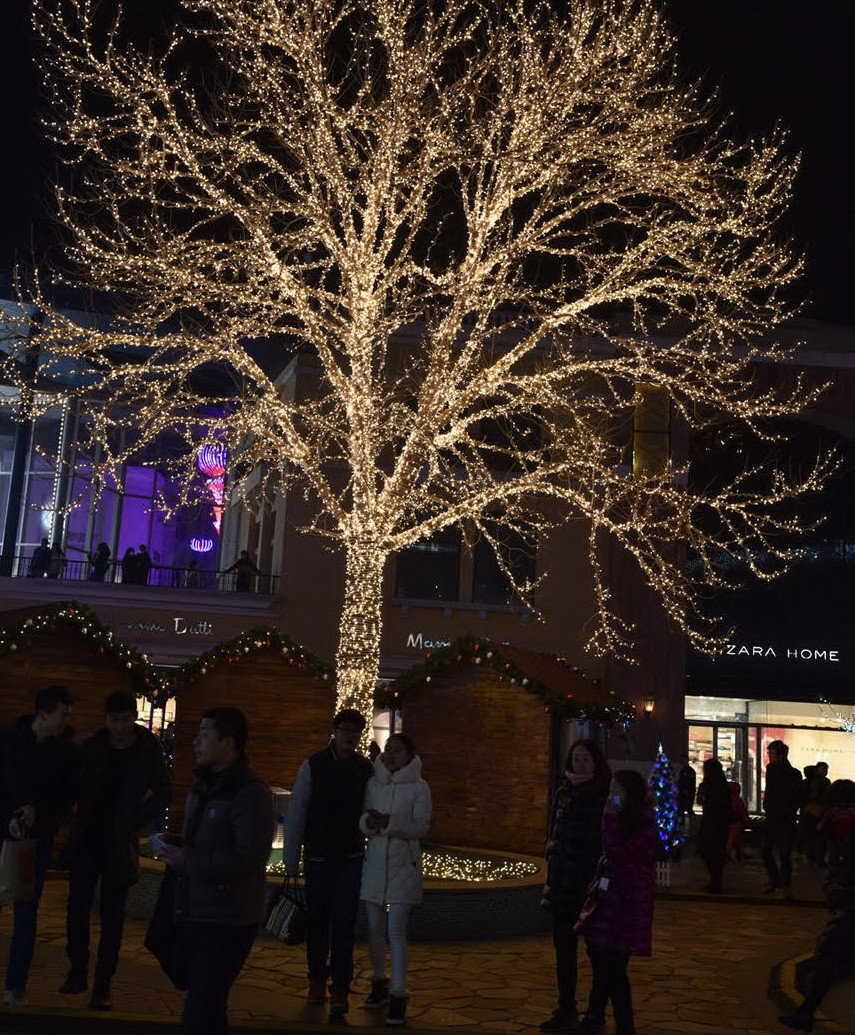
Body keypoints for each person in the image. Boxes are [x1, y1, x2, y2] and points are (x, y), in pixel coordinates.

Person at [156, 708, 274, 1035]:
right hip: (195, 911)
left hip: (228, 920)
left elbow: (249, 857)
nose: (196, 742)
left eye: (205, 734)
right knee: (209, 1009)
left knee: (199, 1011)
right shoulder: (204, 784)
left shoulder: (249, 792)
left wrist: (187, 861)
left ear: (229, 742)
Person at [60, 690, 171, 1009]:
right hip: (88, 836)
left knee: (113, 915)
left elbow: (164, 790)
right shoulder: (94, 747)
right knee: (76, 906)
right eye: (114, 720)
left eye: (125, 719)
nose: (120, 727)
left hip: (119, 839)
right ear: (106, 719)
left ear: (133, 718)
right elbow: (74, 785)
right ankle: (78, 970)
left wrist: (136, 822)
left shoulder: (147, 748)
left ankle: (103, 983)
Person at [283, 708, 374, 1022]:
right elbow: (297, 811)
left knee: (345, 924)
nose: (350, 736)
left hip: (350, 856)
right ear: (334, 731)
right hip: (319, 856)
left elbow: (367, 810)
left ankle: (341, 988)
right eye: (345, 729)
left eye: (355, 731)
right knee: (318, 921)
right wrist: (291, 858)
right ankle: (317, 980)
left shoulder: (365, 769)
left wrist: (371, 826)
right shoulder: (313, 765)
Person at [0, 685, 78, 1006]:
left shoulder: (66, 753)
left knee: (26, 915)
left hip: (37, 842)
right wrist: (8, 818)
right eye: (62, 714)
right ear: (42, 715)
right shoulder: (8, 743)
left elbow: (66, 799)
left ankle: (16, 985)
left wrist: (38, 812)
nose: (66, 721)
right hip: (3, 835)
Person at [575, 769, 656, 1035]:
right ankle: (594, 1017)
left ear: (630, 794)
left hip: (625, 904)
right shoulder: (622, 818)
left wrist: (608, 820)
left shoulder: (642, 823)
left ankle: (623, 1026)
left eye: (617, 790)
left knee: (614, 968)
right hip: (607, 901)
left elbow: (617, 853)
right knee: (600, 959)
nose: (612, 796)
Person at [359, 733, 432, 1027]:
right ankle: (379, 982)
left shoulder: (419, 787)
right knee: (375, 928)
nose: (390, 754)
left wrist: (392, 824)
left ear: (409, 755)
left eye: (397, 750)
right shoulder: (373, 783)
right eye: (388, 749)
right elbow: (363, 818)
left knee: (396, 929)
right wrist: (369, 823)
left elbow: (422, 827)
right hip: (376, 862)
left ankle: (399, 994)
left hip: (405, 864)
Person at [540, 739, 611, 1033]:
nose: (579, 763)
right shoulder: (564, 790)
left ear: (596, 762)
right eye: (576, 758)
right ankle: (566, 1008)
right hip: (562, 881)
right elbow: (554, 832)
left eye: (585, 758)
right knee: (564, 949)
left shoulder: (603, 794)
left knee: (597, 951)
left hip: (589, 881)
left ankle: (595, 1013)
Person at [779, 779, 855, 1032]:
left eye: (846, 807)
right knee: (831, 959)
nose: (841, 812)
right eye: (837, 807)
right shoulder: (831, 828)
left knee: (828, 955)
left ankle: (806, 1013)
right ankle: (806, 1012)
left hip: (850, 904)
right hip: (842, 901)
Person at [761, 740, 804, 900]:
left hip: (784, 818)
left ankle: (784, 884)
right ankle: (777, 881)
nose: (769, 757)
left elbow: (796, 796)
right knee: (768, 850)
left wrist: (790, 809)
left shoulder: (790, 773)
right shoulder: (774, 770)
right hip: (775, 816)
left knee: (783, 853)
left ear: (780, 755)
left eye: (771, 754)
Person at [696, 758, 732, 893]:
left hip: (712, 823)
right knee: (715, 854)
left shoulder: (711, 786)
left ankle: (715, 882)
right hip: (720, 824)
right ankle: (716, 881)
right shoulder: (722, 786)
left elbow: (702, 802)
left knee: (709, 852)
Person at [801, 761, 831, 865]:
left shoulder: (808, 782)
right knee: (818, 837)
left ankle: (812, 857)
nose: (825, 771)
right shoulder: (824, 782)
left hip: (810, 812)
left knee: (812, 837)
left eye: (826, 769)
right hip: (818, 812)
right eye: (823, 769)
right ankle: (817, 858)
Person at [726, 781, 750, 862]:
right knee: (733, 836)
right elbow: (742, 813)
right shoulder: (738, 800)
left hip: (726, 822)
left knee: (735, 837)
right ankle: (729, 852)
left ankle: (740, 852)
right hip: (735, 822)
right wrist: (748, 821)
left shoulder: (725, 799)